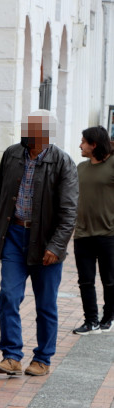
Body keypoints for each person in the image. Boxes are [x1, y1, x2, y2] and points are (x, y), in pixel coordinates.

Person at [0, 110, 78, 377]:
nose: (26, 131)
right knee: (8, 295)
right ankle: (12, 356)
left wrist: (57, 247)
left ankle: (43, 359)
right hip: (14, 235)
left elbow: (69, 211)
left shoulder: (63, 163)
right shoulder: (12, 154)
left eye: (33, 128)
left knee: (45, 303)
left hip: (46, 242)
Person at [72, 126, 114, 335]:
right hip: (82, 235)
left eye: (83, 142)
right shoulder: (80, 168)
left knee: (110, 280)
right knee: (85, 281)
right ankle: (91, 321)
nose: (80, 145)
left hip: (109, 235)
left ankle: (109, 318)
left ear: (94, 144)